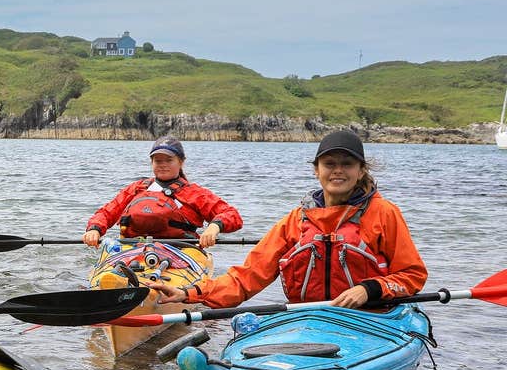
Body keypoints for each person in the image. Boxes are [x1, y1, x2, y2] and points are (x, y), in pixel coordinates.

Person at [150, 130, 427, 310]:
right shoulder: (295, 221)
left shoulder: (384, 214)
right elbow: (246, 278)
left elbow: (413, 275)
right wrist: (189, 293)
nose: (338, 171)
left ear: (360, 170)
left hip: (372, 319)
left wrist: (369, 289)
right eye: (330, 164)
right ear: (317, 170)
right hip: (307, 316)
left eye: (347, 164)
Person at [82, 135, 242, 248]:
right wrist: (94, 229)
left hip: (180, 251)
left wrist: (215, 227)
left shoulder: (195, 193)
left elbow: (232, 215)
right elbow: (106, 213)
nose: (163, 165)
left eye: (169, 160)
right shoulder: (137, 188)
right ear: (151, 162)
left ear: (181, 162)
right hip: (131, 250)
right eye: (158, 161)